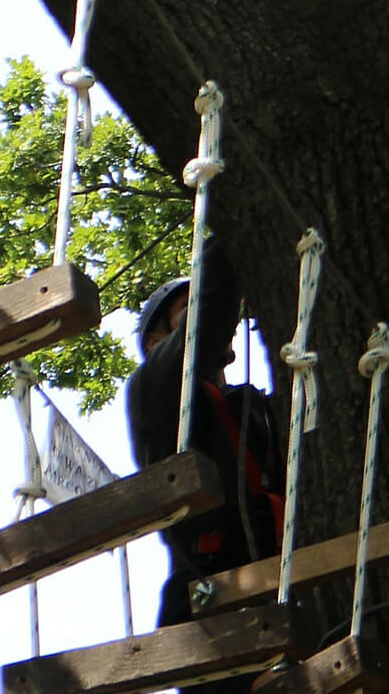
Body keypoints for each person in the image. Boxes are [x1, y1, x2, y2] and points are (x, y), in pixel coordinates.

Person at [125, 239, 283, 693]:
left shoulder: (252, 408)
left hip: (273, 583)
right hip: (206, 603)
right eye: (183, 311)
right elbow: (209, 319)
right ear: (156, 342)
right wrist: (224, 227)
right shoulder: (152, 391)